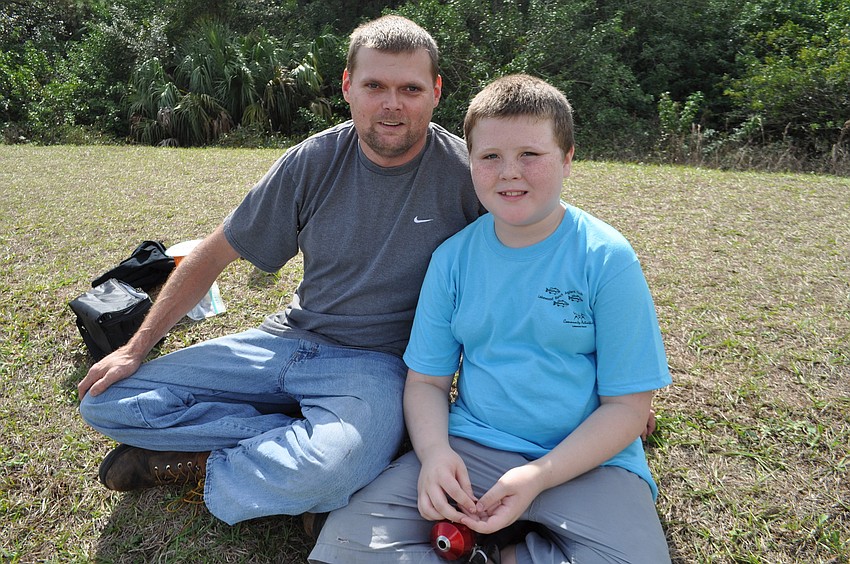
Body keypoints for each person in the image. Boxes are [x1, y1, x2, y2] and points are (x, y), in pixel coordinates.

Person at [76, 15, 484, 526]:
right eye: (374, 85)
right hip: (285, 342)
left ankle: (206, 463)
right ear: (347, 87)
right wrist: (136, 348)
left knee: (329, 470)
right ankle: (296, 442)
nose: (391, 104)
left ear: (436, 92)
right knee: (104, 400)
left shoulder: (467, 174)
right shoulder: (313, 160)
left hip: (375, 365)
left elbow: (523, 258)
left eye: (410, 88)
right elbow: (214, 252)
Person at [308, 74, 672, 563]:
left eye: (530, 155)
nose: (509, 173)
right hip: (473, 448)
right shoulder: (453, 259)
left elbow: (628, 408)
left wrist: (539, 476)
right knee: (346, 545)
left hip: (588, 459)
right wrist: (436, 455)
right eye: (490, 157)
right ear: (470, 163)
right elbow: (427, 382)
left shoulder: (606, 258)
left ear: (567, 159)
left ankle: (509, 553)